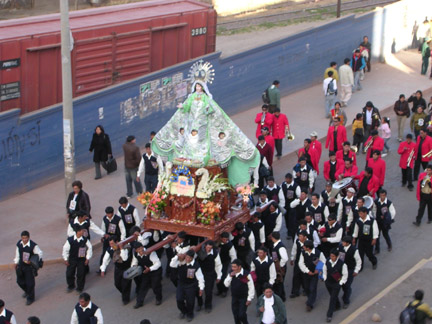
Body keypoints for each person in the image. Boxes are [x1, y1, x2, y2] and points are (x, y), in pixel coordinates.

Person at [152, 78, 259, 186]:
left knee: (201, 139)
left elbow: (211, 108)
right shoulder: (192, 97)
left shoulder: (205, 98)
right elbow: (187, 106)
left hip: (202, 123)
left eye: (199, 86)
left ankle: (201, 154)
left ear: (202, 87)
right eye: (196, 86)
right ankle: (190, 153)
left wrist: (207, 110)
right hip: (192, 122)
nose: (198, 88)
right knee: (190, 139)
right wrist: (182, 106)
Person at [171, 249, 204, 322]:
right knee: (179, 299)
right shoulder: (180, 262)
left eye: (189, 258)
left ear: (192, 258)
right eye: (186, 257)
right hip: (181, 284)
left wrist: (201, 288)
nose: (187, 259)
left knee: (190, 301)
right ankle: (183, 311)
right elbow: (172, 264)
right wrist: (177, 256)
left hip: (191, 285)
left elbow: (200, 277)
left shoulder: (196, 265)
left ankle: (190, 314)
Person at [13, 230, 43, 306]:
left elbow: (39, 254)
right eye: (23, 238)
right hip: (21, 266)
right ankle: (27, 291)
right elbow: (17, 254)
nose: (24, 239)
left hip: (29, 267)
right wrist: (16, 262)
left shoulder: (33, 245)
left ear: (28, 238)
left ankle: (30, 298)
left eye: (26, 238)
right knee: (20, 281)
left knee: (30, 284)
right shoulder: (19, 244)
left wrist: (32, 261)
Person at [100, 236, 132, 304]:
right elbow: (105, 259)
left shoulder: (125, 247)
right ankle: (124, 293)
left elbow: (124, 258)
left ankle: (125, 299)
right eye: (110, 244)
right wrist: (103, 269)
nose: (111, 245)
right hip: (118, 269)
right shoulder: (109, 250)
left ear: (117, 242)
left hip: (126, 268)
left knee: (126, 284)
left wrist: (121, 249)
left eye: (112, 243)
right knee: (117, 284)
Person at [131, 242, 162, 308]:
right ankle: (139, 302)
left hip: (155, 271)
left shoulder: (150, 252)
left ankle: (158, 299)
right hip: (146, 272)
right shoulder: (135, 254)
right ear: (136, 250)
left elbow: (158, 263)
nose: (141, 250)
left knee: (155, 286)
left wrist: (150, 269)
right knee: (143, 287)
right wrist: (134, 267)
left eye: (141, 247)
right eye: (138, 249)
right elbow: (135, 261)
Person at [63, 226, 93, 293]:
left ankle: (80, 288)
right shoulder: (70, 240)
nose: (83, 232)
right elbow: (65, 249)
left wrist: (87, 258)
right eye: (81, 231)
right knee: (69, 274)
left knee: (81, 274)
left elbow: (90, 248)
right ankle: (71, 286)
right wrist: (65, 259)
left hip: (81, 260)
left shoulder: (85, 240)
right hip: (72, 259)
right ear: (78, 232)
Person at [224, 259, 255, 324]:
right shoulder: (231, 273)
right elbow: (226, 284)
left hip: (243, 298)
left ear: (239, 267)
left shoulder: (246, 274)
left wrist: (249, 298)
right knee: (235, 314)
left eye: (234, 267)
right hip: (234, 297)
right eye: (232, 267)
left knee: (241, 314)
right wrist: (230, 276)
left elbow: (251, 286)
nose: (233, 268)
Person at [299, 240, 326, 312]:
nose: (303, 247)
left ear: (308, 248)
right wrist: (307, 271)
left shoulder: (318, 253)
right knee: (307, 287)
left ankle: (310, 304)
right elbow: (300, 263)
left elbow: (324, 262)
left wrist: (318, 269)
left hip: (315, 274)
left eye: (304, 246)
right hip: (306, 273)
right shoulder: (303, 253)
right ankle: (309, 298)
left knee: (312, 288)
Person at [196, 240, 222, 313]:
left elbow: (218, 265)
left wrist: (219, 276)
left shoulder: (215, 254)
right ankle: (199, 304)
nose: (208, 249)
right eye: (207, 247)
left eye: (210, 248)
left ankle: (208, 305)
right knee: (198, 290)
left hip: (210, 274)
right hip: (200, 273)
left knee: (208, 291)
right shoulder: (200, 252)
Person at [323, 249, 348, 322]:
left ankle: (329, 315)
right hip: (328, 282)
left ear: (337, 256)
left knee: (332, 298)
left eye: (333, 256)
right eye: (331, 256)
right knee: (333, 296)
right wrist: (325, 278)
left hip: (336, 284)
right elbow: (324, 269)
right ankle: (337, 305)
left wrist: (340, 283)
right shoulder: (327, 261)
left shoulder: (342, 264)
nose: (331, 257)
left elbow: (345, 275)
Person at [339, 235, 362, 308]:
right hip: (341, 269)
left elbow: (358, 261)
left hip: (349, 269)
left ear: (348, 243)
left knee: (347, 285)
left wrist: (356, 270)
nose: (342, 243)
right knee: (341, 284)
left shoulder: (354, 250)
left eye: (344, 242)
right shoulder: (340, 247)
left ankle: (346, 301)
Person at [281, 173, 301, 239]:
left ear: (291, 179)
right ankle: (289, 230)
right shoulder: (283, 185)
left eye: (287, 179)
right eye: (285, 178)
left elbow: (299, 196)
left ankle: (291, 232)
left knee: (291, 219)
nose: (286, 180)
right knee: (286, 219)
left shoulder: (296, 186)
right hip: (285, 205)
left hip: (293, 206)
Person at [269, 232, 289, 302]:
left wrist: (280, 266)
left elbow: (285, 258)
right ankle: (282, 297)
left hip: (279, 268)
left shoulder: (280, 247)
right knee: (279, 283)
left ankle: (280, 298)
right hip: (276, 267)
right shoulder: (275, 246)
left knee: (279, 283)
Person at [216, 232, 237, 297]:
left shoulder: (230, 245)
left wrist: (233, 266)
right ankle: (219, 290)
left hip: (225, 262)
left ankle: (224, 290)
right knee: (217, 276)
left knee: (224, 277)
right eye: (224, 239)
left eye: (226, 239)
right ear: (221, 238)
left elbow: (233, 256)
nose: (225, 241)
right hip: (218, 262)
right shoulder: (218, 244)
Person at [289, 230, 307, 298]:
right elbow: (294, 249)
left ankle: (306, 290)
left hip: (305, 262)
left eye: (300, 236)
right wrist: (292, 258)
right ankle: (295, 291)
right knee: (296, 276)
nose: (299, 237)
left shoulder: (308, 243)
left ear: (305, 237)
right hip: (298, 261)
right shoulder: (297, 242)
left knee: (305, 276)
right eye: (299, 236)